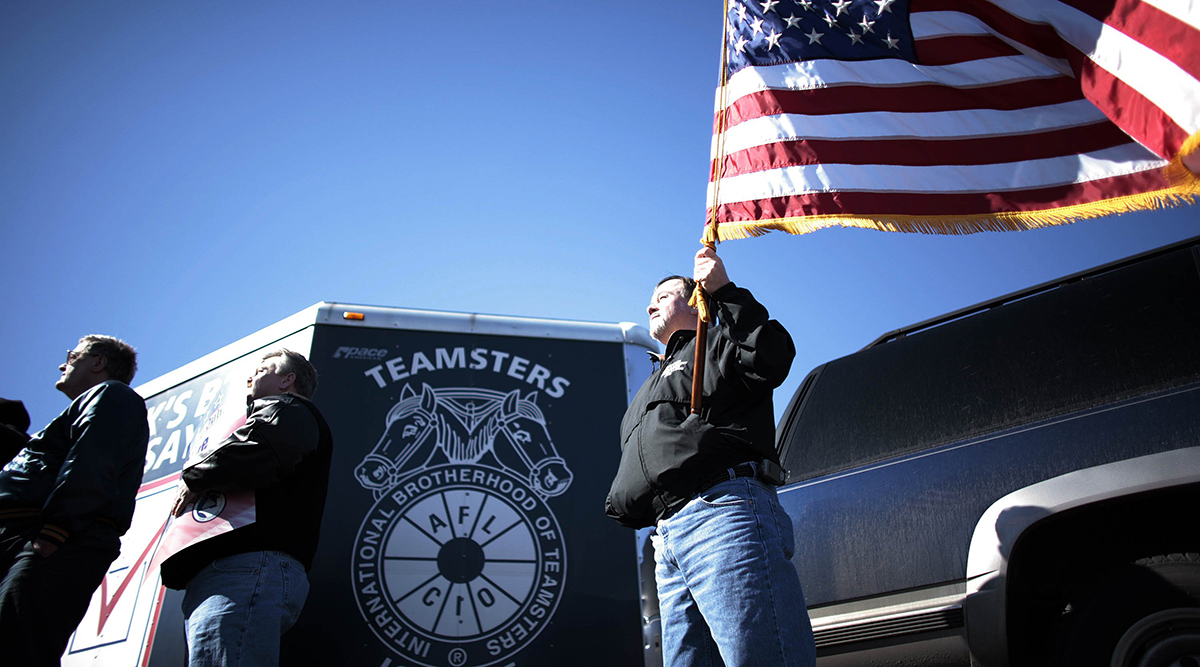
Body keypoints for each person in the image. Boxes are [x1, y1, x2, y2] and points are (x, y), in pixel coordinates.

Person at [605, 247, 816, 667]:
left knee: (760, 657)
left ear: (695, 297)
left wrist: (725, 291)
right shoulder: (650, 384)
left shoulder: (719, 342)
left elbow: (770, 356)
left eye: (664, 295)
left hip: (720, 517)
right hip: (666, 540)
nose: (651, 304)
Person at [160, 348, 333, 667]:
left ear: (286, 380)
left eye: (264, 368)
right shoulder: (276, 413)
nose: (252, 375)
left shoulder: (288, 408)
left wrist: (194, 477)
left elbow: (257, 454)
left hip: (246, 571)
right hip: (237, 574)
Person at [0, 335, 149, 665]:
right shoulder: (81, 411)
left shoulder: (113, 395)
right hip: (31, 535)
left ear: (97, 362)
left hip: (56, 538)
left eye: (72, 356)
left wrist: (55, 531)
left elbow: (93, 462)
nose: (62, 363)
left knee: (17, 646)